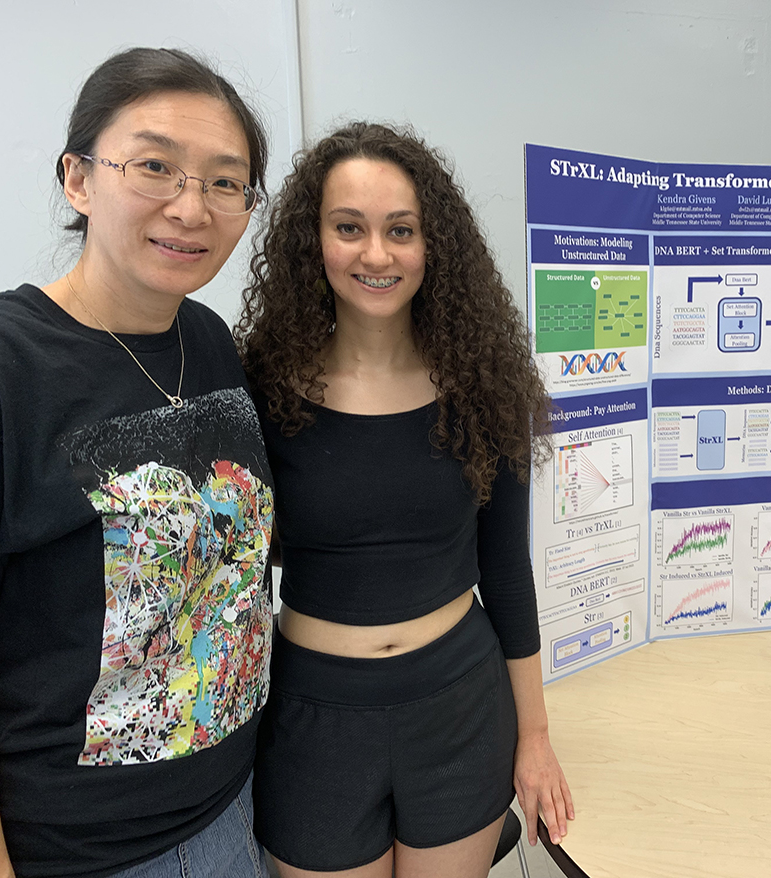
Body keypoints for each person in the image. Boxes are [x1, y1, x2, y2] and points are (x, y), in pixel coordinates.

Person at [236, 122, 574, 877]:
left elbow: (507, 573)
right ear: (313, 242)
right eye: (348, 228)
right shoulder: (259, 389)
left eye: (401, 230)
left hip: (459, 707)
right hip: (314, 720)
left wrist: (535, 736)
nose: (376, 254)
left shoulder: (485, 387)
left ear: (433, 245)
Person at [0, 48, 274, 877]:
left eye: (225, 182)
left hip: (237, 802)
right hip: (86, 851)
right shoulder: (11, 365)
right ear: (78, 179)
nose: (191, 207)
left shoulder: (209, 339)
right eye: (155, 167)